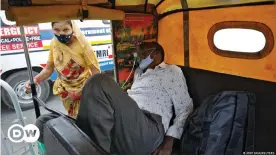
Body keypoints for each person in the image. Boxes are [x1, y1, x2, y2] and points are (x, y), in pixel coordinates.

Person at [35, 42, 193, 155]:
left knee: (99, 81)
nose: (139, 59)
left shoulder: (172, 71)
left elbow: (185, 107)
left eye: (142, 54)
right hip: (121, 125)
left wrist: (169, 140)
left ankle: (91, 146)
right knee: (46, 121)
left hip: (148, 127)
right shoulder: (139, 73)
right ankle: (89, 144)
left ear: (155, 54)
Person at [25, 20, 100, 118]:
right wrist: (36, 80)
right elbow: (48, 69)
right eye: (56, 30)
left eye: (66, 30)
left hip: (84, 90)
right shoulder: (54, 44)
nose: (61, 33)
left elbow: (96, 73)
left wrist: (79, 93)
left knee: (87, 119)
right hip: (66, 92)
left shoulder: (83, 44)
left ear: (72, 29)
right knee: (73, 118)